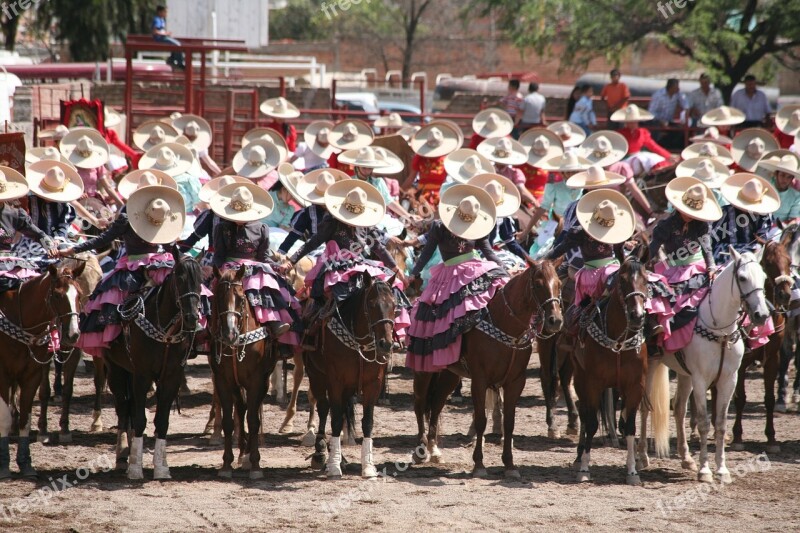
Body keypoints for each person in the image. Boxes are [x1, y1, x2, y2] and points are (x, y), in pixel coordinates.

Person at [59, 185, 198, 357]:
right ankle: (116, 337)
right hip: (133, 265)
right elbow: (103, 239)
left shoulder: (161, 216)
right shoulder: (126, 219)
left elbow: (170, 247)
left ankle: (189, 332)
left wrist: (187, 260)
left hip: (161, 263)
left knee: (184, 288)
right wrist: (72, 251)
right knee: (115, 296)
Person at [281, 180, 409, 347]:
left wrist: (395, 268)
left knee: (388, 288)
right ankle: (312, 326)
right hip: (333, 265)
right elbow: (311, 243)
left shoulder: (366, 225)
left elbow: (378, 247)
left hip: (359, 264)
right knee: (332, 294)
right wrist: (291, 261)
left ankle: (387, 331)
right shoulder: (331, 222)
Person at [405, 184, 507, 372]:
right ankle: (449, 350)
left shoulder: (478, 228)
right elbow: (427, 252)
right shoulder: (439, 226)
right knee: (441, 312)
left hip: (473, 268)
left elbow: (488, 251)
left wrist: (504, 270)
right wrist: (414, 272)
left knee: (497, 293)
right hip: (448, 272)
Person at [210, 182, 299, 344]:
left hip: (254, 267)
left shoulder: (261, 228)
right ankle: (205, 327)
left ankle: (274, 323)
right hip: (228, 268)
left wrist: (275, 266)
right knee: (208, 289)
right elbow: (219, 255)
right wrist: (212, 269)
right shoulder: (221, 228)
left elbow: (263, 257)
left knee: (269, 285)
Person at [649, 177, 721, 352]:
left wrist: (711, 267)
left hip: (697, 266)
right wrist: (645, 266)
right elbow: (653, 248)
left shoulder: (702, 225)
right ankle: (657, 336)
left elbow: (707, 248)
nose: (690, 215)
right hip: (671, 269)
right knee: (656, 298)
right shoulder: (665, 225)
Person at [0, 167, 56, 293]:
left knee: (31, 282)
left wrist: (49, 244)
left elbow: (37, 233)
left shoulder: (15, 214)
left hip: (6, 260)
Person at [278, 168, 349, 254]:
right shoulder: (307, 214)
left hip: (343, 252)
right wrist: (280, 252)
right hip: (316, 254)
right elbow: (292, 237)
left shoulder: (342, 210)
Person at [712, 173, 777, 264]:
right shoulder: (725, 212)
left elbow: (762, 239)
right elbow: (713, 238)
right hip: (726, 252)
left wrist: (758, 246)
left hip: (754, 253)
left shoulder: (763, 216)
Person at [467, 173, 528, 260]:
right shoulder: (472, 210)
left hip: (490, 252)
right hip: (471, 253)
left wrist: (527, 258)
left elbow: (508, 239)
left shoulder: (502, 217)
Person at [60, 128, 123, 209]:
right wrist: (77, 193)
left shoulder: (96, 165)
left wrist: (121, 204)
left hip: (94, 199)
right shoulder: (69, 164)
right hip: (74, 201)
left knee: (107, 217)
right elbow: (64, 184)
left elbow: (108, 187)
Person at [611, 105, 674, 175]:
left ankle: (656, 172)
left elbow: (653, 146)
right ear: (626, 122)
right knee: (640, 159)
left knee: (651, 157)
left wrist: (668, 156)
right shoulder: (620, 134)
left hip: (638, 157)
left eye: (634, 121)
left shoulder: (643, 132)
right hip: (625, 160)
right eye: (630, 122)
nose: (632, 124)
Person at [409, 123, 460, 206]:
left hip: (440, 197)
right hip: (420, 196)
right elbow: (411, 178)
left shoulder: (447, 160)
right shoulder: (419, 158)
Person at [757, 153, 800, 222]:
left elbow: (793, 219)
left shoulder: (796, 197)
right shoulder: (764, 188)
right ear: (776, 174)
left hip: (781, 230)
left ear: (792, 179)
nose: (785, 180)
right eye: (782, 175)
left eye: (789, 177)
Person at [648, 78, 686, 150]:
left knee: (680, 129)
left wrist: (686, 110)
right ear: (671, 87)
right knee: (655, 128)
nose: (678, 88)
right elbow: (651, 112)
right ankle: (655, 148)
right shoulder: (658, 95)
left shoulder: (677, 94)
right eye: (676, 87)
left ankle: (669, 147)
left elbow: (685, 104)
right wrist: (660, 120)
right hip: (656, 120)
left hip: (669, 120)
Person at [152, 5, 184, 70]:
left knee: (177, 44)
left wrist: (167, 34)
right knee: (177, 45)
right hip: (159, 39)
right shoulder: (157, 19)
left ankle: (171, 59)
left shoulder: (162, 19)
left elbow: (161, 30)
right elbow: (155, 32)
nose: (166, 13)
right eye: (165, 12)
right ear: (160, 12)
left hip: (163, 37)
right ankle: (180, 63)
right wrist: (165, 33)